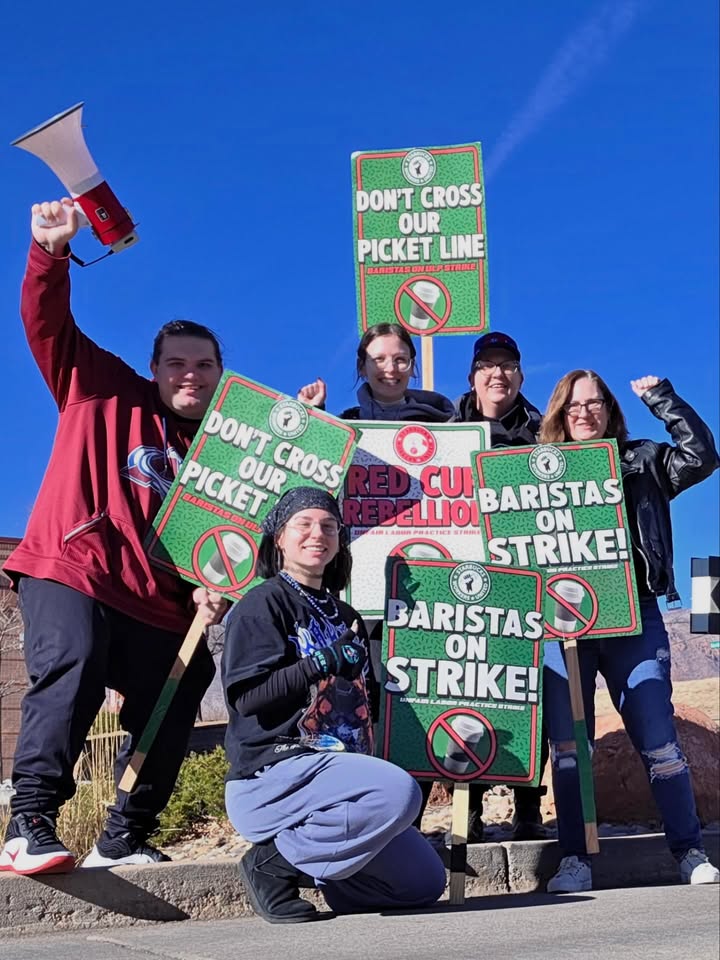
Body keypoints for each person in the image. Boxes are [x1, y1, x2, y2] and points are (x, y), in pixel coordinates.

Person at [0, 198, 228, 877]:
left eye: (204, 366)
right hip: (72, 565)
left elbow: (240, 531)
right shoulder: (101, 387)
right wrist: (50, 252)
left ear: (220, 374)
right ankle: (30, 819)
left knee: (187, 682)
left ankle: (126, 833)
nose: (190, 375)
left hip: (155, 601)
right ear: (154, 370)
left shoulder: (220, 450)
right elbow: (46, 323)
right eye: (177, 364)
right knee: (76, 657)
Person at [223, 487, 446, 923]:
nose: (317, 534)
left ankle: (332, 874)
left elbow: (369, 705)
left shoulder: (348, 617)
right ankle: (272, 865)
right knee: (397, 791)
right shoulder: (263, 602)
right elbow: (248, 699)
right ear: (279, 539)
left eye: (328, 526)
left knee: (422, 883)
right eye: (303, 524)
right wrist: (319, 663)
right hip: (274, 773)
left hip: (336, 778)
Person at [538, 370, 720, 892]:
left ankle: (689, 850)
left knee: (658, 736)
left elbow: (701, 457)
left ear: (611, 410)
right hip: (560, 622)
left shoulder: (642, 461)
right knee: (569, 745)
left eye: (595, 404)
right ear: (558, 413)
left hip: (632, 614)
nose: (584, 413)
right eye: (574, 406)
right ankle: (575, 858)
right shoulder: (536, 469)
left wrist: (661, 397)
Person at [452, 331, 549, 842]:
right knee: (467, 689)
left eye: (507, 364)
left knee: (526, 695)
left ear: (520, 375)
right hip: (462, 580)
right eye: (487, 365)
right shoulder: (448, 429)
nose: (498, 374)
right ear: (472, 376)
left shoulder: (543, 433)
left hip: (525, 581)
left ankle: (528, 806)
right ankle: (467, 805)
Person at [297, 322, 455, 422]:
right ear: (362, 367)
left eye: (400, 359)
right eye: (379, 359)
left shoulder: (442, 424)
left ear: (412, 367)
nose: (391, 369)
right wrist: (312, 413)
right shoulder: (349, 425)